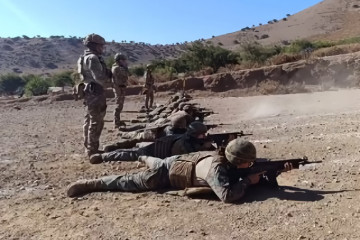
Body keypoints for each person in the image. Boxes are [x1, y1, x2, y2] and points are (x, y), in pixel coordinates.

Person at [67, 139, 293, 203]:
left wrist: (276, 171)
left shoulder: (229, 162)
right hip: (165, 174)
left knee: (153, 160)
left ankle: (145, 157)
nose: (251, 165)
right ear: (238, 160)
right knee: (126, 181)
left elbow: (246, 172)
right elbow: (228, 195)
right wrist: (248, 182)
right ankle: (90, 183)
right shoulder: (217, 169)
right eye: (248, 162)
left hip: (176, 160)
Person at [89, 121, 214, 164]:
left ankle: (110, 150)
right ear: (194, 135)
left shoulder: (188, 138)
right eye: (201, 135)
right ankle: (103, 156)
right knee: (130, 154)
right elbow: (190, 158)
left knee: (135, 146)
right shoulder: (183, 144)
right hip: (154, 153)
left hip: (159, 144)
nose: (203, 137)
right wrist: (206, 147)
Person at [77, 33, 111, 156]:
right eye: (101, 46)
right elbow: (99, 77)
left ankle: (89, 146)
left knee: (89, 120)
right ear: (94, 46)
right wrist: (109, 77)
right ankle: (93, 149)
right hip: (95, 91)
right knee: (96, 121)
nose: (102, 48)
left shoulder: (83, 58)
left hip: (88, 90)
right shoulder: (93, 58)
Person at [111, 53, 129, 128]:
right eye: (124, 60)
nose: (125, 61)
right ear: (120, 60)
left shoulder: (119, 67)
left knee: (120, 105)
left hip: (121, 87)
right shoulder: (117, 68)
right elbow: (127, 74)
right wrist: (125, 67)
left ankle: (117, 121)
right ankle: (116, 122)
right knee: (118, 105)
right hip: (118, 88)